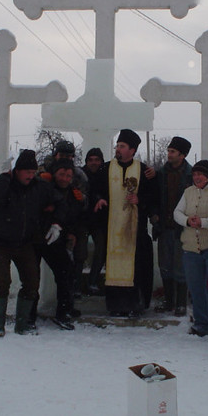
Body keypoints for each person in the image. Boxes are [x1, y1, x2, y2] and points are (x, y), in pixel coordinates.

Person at [0, 149, 65, 337]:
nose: (30, 175)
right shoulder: (3, 184)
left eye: (33, 171)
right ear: (16, 171)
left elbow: (61, 202)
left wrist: (57, 224)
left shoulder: (39, 187)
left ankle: (22, 324)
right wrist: (5, 176)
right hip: (0, 242)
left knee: (31, 283)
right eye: (26, 172)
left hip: (25, 243)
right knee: (3, 281)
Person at [93, 129, 157, 317]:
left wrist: (141, 200)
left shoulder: (144, 171)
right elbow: (95, 188)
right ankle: (115, 305)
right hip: (111, 227)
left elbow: (153, 196)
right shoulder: (105, 169)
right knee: (114, 265)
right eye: (117, 146)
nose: (118, 149)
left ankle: (134, 305)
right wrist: (98, 199)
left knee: (135, 267)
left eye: (122, 146)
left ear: (132, 149)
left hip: (134, 229)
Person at [173, 160, 208, 338]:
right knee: (196, 289)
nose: (197, 177)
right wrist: (188, 221)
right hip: (191, 248)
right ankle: (201, 323)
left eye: (201, 174)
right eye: (195, 174)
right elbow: (177, 212)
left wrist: (203, 222)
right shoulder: (188, 192)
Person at [35, 158, 85, 331]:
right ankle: (29, 314)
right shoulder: (43, 186)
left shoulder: (72, 193)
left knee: (66, 273)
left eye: (68, 175)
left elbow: (73, 216)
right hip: (36, 238)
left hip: (56, 239)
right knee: (32, 277)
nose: (64, 178)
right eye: (61, 174)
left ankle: (64, 311)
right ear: (54, 174)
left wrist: (70, 232)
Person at [151, 136, 193, 316]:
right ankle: (169, 302)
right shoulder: (160, 174)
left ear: (182, 155)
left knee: (180, 266)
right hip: (164, 227)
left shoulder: (192, 175)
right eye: (168, 151)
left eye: (172, 152)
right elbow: (154, 197)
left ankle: (181, 303)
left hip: (182, 229)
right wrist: (153, 214)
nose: (169, 154)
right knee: (165, 265)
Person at [80, 147, 107, 294]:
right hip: (83, 220)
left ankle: (93, 280)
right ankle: (76, 284)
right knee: (80, 252)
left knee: (101, 249)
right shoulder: (80, 174)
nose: (94, 163)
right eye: (90, 160)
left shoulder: (106, 175)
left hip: (99, 221)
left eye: (97, 160)